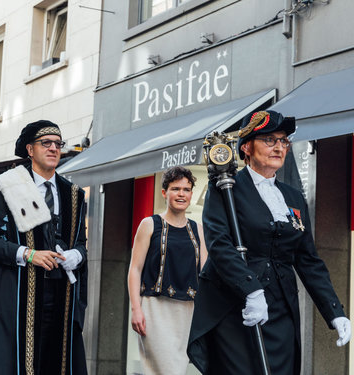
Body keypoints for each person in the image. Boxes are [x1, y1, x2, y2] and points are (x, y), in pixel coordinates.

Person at [187, 110, 351, 374]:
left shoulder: (293, 197)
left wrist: (335, 311)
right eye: (269, 140)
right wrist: (251, 290)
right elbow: (219, 244)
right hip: (236, 304)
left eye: (283, 141)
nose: (278, 147)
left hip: (280, 307)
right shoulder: (225, 188)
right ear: (246, 147)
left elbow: (307, 259)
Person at [0, 120, 88, 374]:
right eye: (45, 143)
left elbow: (81, 245)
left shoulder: (74, 194)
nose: (53, 148)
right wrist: (28, 254)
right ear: (29, 149)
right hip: (19, 293)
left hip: (61, 296)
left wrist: (74, 256)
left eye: (58, 144)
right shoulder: (5, 187)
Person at [128, 166, 208, 375]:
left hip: (188, 311)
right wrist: (136, 309)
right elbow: (134, 270)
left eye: (186, 189)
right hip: (155, 309)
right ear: (164, 193)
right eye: (175, 189)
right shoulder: (149, 224)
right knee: (164, 370)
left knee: (178, 368)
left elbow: (205, 274)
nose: (181, 194)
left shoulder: (198, 229)